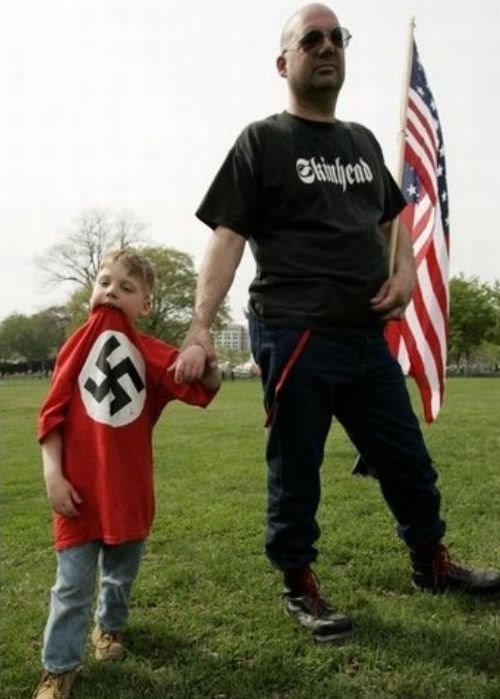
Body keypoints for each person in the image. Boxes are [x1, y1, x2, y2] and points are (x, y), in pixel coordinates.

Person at [172, 3, 500, 643]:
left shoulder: (362, 142)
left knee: (407, 459)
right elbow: (227, 236)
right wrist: (200, 325)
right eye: (312, 40)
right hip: (296, 331)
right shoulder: (262, 141)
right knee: (297, 468)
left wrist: (404, 274)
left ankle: (430, 563)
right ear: (284, 62)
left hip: (365, 338)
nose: (327, 48)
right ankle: (299, 583)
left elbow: (393, 219)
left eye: (337, 39)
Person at [34, 249, 220, 699]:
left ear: (146, 305)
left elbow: (204, 388)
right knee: (71, 586)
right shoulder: (74, 348)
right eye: (104, 283)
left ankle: (110, 629)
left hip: (129, 493)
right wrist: (54, 476)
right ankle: (59, 668)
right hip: (77, 494)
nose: (111, 292)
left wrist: (204, 356)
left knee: (119, 577)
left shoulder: (152, 354)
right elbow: (51, 417)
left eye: (126, 287)